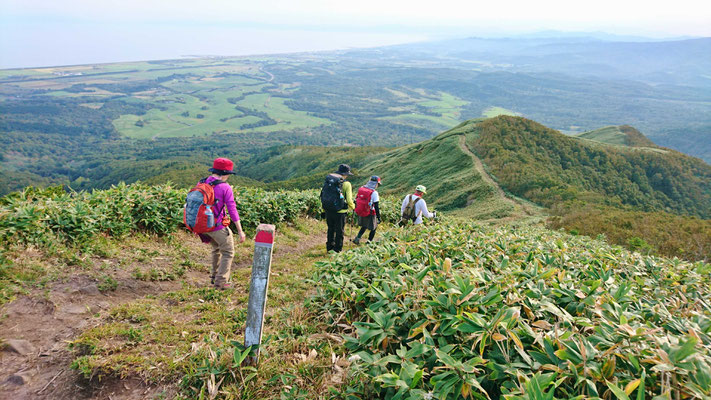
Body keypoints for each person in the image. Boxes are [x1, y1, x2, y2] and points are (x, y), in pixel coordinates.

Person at [199, 157, 246, 289]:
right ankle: (222, 283)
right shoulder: (225, 187)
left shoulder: (203, 182)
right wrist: (240, 231)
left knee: (216, 249)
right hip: (216, 226)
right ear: (225, 174)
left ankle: (214, 277)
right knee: (228, 252)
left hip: (202, 225)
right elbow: (232, 209)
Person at [322, 164, 355, 252]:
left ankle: (329, 247)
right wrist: (353, 207)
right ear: (346, 174)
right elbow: (349, 200)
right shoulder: (347, 184)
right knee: (339, 231)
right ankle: (337, 249)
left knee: (331, 229)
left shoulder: (330, 181)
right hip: (340, 211)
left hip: (329, 209)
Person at [352, 176, 382, 244]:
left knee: (364, 226)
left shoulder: (362, 188)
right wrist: (378, 217)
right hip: (371, 212)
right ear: (376, 184)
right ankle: (369, 242)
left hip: (362, 210)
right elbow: (376, 206)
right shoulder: (374, 193)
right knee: (374, 228)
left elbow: (356, 199)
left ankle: (357, 238)